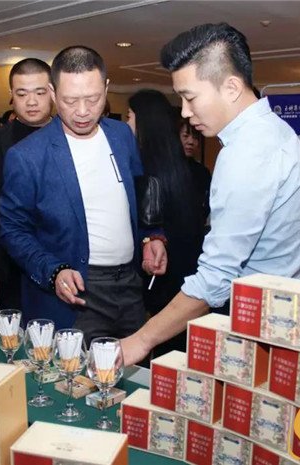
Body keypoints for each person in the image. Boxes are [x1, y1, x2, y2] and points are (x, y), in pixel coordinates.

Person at [121, 23, 300, 365]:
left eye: (190, 97)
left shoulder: (246, 153)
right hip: (284, 312)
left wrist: (140, 340)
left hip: (255, 324)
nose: (185, 111)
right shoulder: (274, 130)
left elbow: (215, 278)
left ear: (231, 87)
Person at [0, 46, 167, 342]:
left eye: (92, 99)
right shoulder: (27, 155)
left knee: (135, 366)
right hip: (75, 292)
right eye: (70, 100)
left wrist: (152, 236)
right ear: (53, 93)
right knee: (81, 371)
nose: (82, 111)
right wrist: (53, 271)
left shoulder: (121, 135)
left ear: (106, 88)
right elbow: (12, 230)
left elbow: (138, 195)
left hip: (129, 285)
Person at [127, 89, 207, 356]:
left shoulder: (144, 170)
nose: (126, 124)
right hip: (183, 279)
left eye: (129, 117)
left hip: (154, 276)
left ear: (144, 122)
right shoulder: (183, 169)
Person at [0, 58, 53, 307]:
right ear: (11, 96)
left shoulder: (72, 137)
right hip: (10, 264)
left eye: (40, 92)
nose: (31, 101)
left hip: (64, 260)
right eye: (22, 93)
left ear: (53, 92)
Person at [179, 118, 211, 221]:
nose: (191, 142)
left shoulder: (203, 172)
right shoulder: (167, 169)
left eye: (195, 138)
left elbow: (207, 203)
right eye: (185, 136)